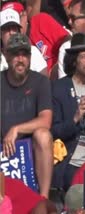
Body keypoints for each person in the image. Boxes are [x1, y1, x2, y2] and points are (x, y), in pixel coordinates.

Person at [51, 33, 85, 191]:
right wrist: (75, 117)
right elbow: (54, 131)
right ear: (74, 60)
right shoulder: (58, 88)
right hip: (70, 159)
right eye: (84, 57)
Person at [0, 33, 53, 198]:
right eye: (15, 54)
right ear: (7, 56)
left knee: (43, 134)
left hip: (31, 149)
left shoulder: (40, 82)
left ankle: (42, 199)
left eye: (24, 54)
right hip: (3, 148)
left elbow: (46, 120)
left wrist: (16, 129)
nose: (20, 59)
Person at [0, 8, 47, 75]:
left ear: (19, 31)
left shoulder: (33, 52)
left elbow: (44, 81)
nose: (11, 32)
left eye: (14, 28)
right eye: (6, 29)